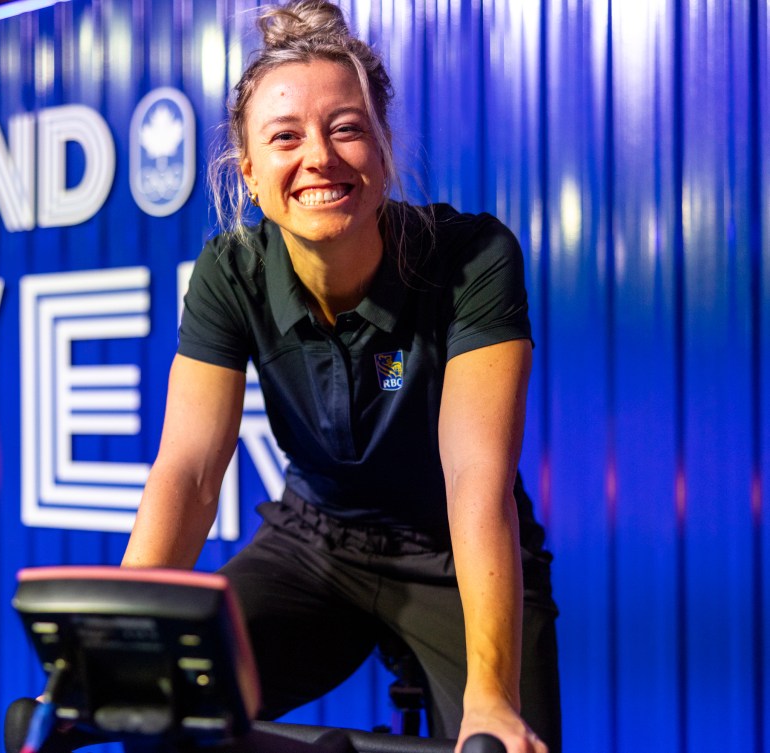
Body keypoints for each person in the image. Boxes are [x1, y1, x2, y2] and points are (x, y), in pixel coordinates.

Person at [120, 2, 560, 753]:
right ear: (250, 175)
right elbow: (189, 473)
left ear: (384, 152)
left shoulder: (473, 257)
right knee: (156, 704)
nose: (318, 156)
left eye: (347, 128)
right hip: (313, 543)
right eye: (285, 137)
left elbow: (475, 482)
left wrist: (492, 694)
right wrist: (115, 643)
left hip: (457, 556)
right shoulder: (232, 273)